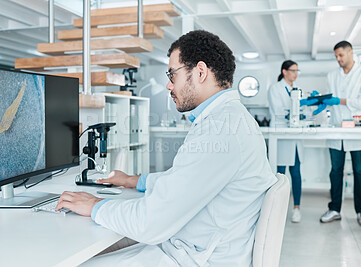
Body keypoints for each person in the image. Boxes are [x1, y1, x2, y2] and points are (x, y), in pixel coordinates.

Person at [56, 30, 277, 266]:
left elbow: (150, 223)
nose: (168, 85)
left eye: (173, 74)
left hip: (195, 258)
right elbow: (183, 180)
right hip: (197, 246)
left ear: (200, 72)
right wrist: (135, 180)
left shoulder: (220, 128)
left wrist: (95, 206)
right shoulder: (230, 119)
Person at [319, 40, 361, 226]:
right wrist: (322, 102)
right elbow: (329, 99)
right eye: (336, 56)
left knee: (359, 171)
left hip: (357, 130)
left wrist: (341, 101)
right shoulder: (332, 75)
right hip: (337, 129)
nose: (338, 59)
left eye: (341, 55)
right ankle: (334, 209)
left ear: (351, 52)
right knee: (336, 171)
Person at [267, 60, 305, 223]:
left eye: (297, 71)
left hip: (294, 136)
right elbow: (278, 111)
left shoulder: (296, 90)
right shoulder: (275, 89)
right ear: (284, 72)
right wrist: (297, 109)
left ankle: (296, 209)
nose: (296, 74)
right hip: (281, 135)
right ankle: (275, 209)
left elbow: (300, 111)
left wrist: (305, 106)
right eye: (293, 70)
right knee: (279, 175)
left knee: (296, 174)